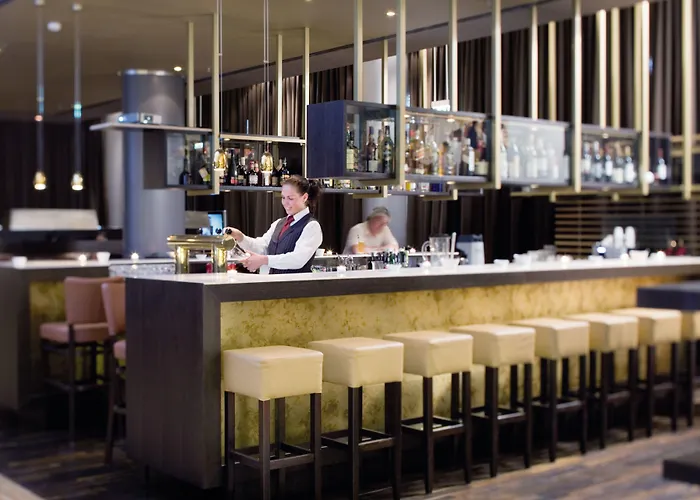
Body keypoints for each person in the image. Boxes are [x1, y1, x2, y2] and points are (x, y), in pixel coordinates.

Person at [224, 176, 323, 274]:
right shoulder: (279, 223)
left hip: (296, 283)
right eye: (283, 197)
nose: (285, 203)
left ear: (304, 197)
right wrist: (240, 237)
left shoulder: (312, 226)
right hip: (273, 282)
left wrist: (263, 260)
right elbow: (262, 247)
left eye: (290, 198)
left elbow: (298, 259)